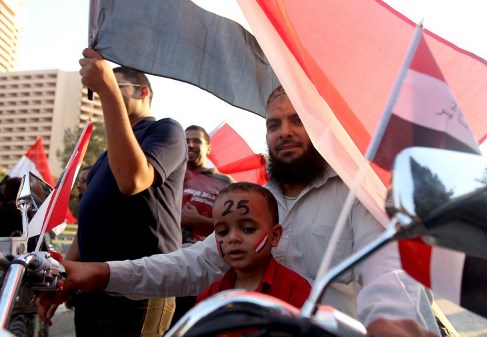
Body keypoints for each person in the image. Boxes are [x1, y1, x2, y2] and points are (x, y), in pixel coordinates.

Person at [39, 83, 439, 337]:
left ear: (322, 129)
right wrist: (100, 272)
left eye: (298, 121)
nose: (284, 132)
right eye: (274, 124)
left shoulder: (361, 196)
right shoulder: (260, 205)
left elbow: (390, 273)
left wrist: (391, 322)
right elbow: (189, 266)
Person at [63, 48, 187, 337]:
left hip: (140, 291)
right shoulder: (107, 157)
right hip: (95, 290)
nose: (108, 93)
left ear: (143, 92)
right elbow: (88, 224)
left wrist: (107, 92)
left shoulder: (166, 131)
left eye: (117, 88)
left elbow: (133, 180)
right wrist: (67, 271)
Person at [196, 182, 311, 309]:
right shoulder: (209, 297)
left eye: (248, 229)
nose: (233, 238)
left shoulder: (296, 291)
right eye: (223, 232)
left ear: (275, 236)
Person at [171, 125, 234, 325]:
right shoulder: (168, 176)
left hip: (208, 269)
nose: (190, 144)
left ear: (208, 148)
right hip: (168, 265)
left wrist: (200, 222)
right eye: (186, 140)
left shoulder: (225, 183)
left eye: (196, 140)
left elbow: (239, 226)